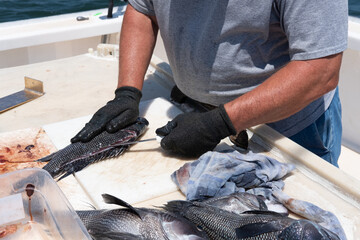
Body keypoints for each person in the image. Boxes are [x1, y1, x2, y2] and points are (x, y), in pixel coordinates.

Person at [71, 1, 348, 166]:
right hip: (198, 117)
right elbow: (143, 10)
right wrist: (128, 92)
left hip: (287, 129)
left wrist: (220, 123)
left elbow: (320, 69)